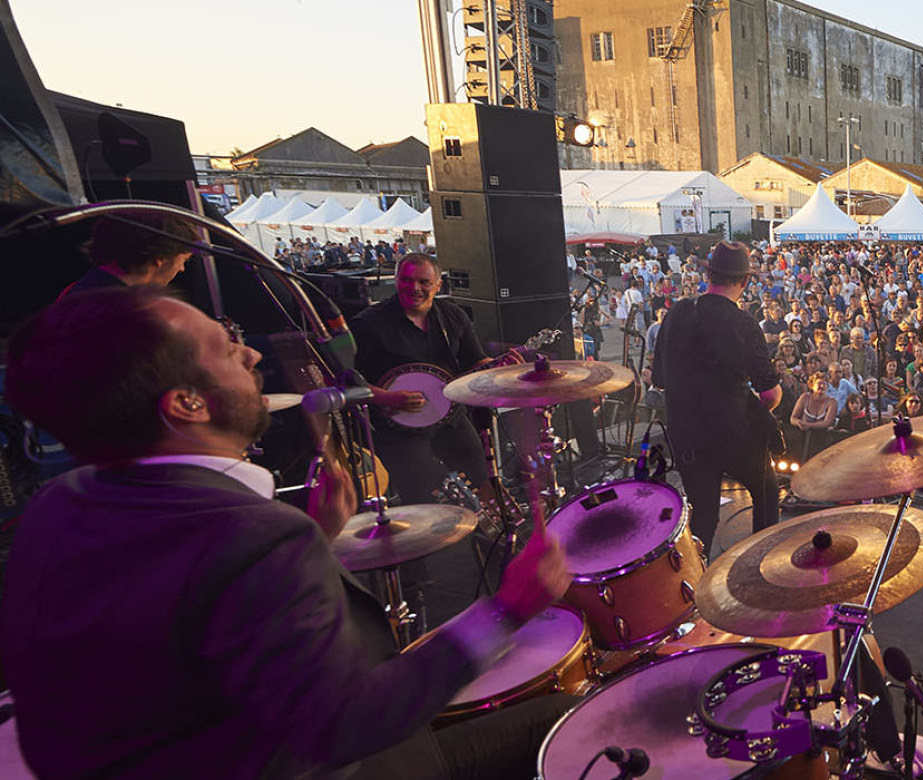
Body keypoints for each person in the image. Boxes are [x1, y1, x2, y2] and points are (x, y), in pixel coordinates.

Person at [1, 286, 571, 778]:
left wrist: (318, 537)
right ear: (187, 404)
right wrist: (508, 608)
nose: (250, 354)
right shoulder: (253, 535)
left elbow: (195, 622)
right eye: (226, 349)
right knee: (561, 715)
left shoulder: (58, 507)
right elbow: (346, 725)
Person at [652, 241, 783, 548]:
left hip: (686, 437)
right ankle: (760, 561)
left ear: (709, 274)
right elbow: (770, 393)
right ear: (746, 280)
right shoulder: (743, 323)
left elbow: (659, 379)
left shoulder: (676, 314)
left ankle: (694, 582)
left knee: (703, 516)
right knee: (766, 490)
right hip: (732, 434)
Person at [348, 254, 494, 504]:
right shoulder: (368, 324)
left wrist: (501, 369)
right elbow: (345, 379)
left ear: (438, 285)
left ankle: (490, 536)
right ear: (395, 281)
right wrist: (387, 397)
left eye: (423, 282)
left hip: (451, 419)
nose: (414, 288)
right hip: (399, 430)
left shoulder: (452, 315)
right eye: (406, 280)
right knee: (424, 500)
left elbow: (475, 360)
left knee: (483, 479)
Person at [60, 210, 205, 297]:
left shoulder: (78, 290)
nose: (181, 269)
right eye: (184, 261)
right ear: (160, 259)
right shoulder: (132, 312)